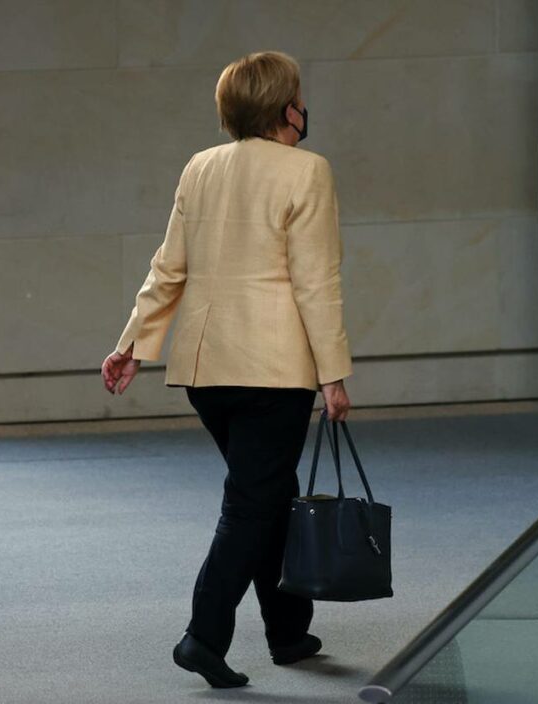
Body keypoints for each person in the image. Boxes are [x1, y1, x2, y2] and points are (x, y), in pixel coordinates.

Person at [100, 50, 353, 689]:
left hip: (208, 370)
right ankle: (203, 636)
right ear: (285, 108)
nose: (304, 108)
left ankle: (288, 630)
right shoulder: (308, 171)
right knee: (251, 503)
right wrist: (333, 373)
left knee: (267, 493)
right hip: (273, 370)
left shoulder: (201, 168)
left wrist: (132, 342)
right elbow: (316, 281)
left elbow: (169, 267)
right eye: (298, 97)